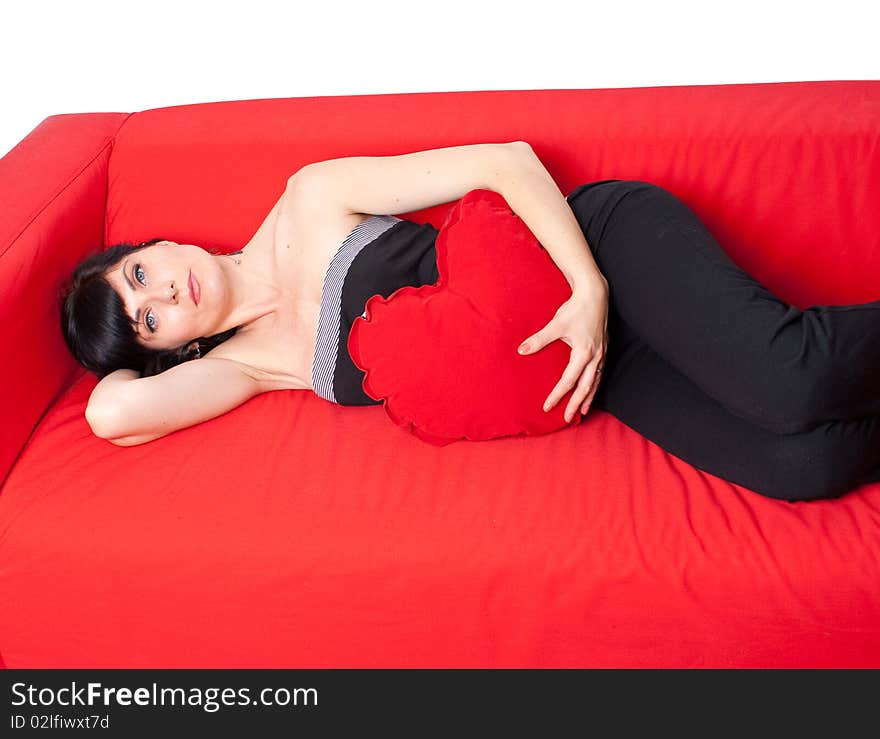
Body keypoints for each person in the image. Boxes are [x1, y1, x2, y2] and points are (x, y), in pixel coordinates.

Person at [60, 141, 880, 503]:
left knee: (791, 381)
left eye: (141, 273)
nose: (166, 293)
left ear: (156, 243)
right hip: (593, 374)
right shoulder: (252, 365)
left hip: (600, 254)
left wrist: (588, 288)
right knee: (799, 467)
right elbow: (111, 412)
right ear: (173, 348)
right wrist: (114, 347)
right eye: (150, 320)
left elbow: (506, 160)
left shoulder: (307, 200)